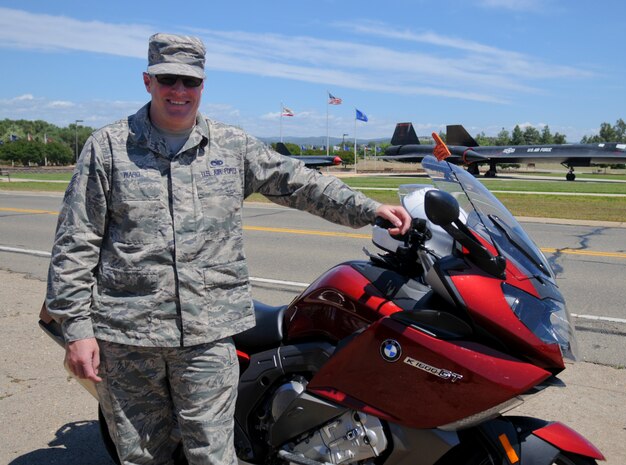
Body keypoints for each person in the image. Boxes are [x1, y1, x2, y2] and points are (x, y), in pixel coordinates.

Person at [46, 33, 411, 465]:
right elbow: (75, 242)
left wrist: (369, 209)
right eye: (169, 79)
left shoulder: (230, 146)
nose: (179, 91)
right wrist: (78, 330)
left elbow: (299, 182)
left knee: (214, 457)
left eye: (190, 82)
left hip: (208, 337)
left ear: (203, 86)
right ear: (148, 81)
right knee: (142, 458)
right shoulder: (108, 148)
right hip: (129, 341)